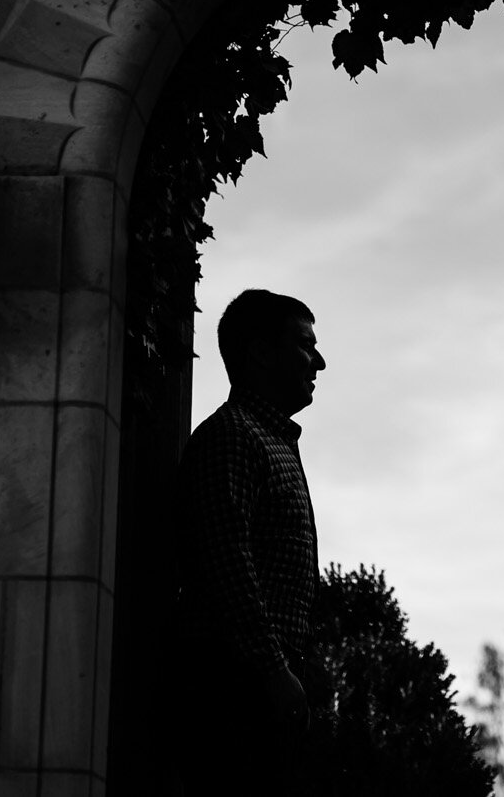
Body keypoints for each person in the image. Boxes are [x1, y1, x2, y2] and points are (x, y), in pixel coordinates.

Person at [171, 289, 326, 794]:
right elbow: (228, 563)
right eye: (305, 345)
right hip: (233, 688)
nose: (319, 362)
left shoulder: (266, 439)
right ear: (260, 352)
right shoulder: (234, 436)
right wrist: (275, 671)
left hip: (259, 687)